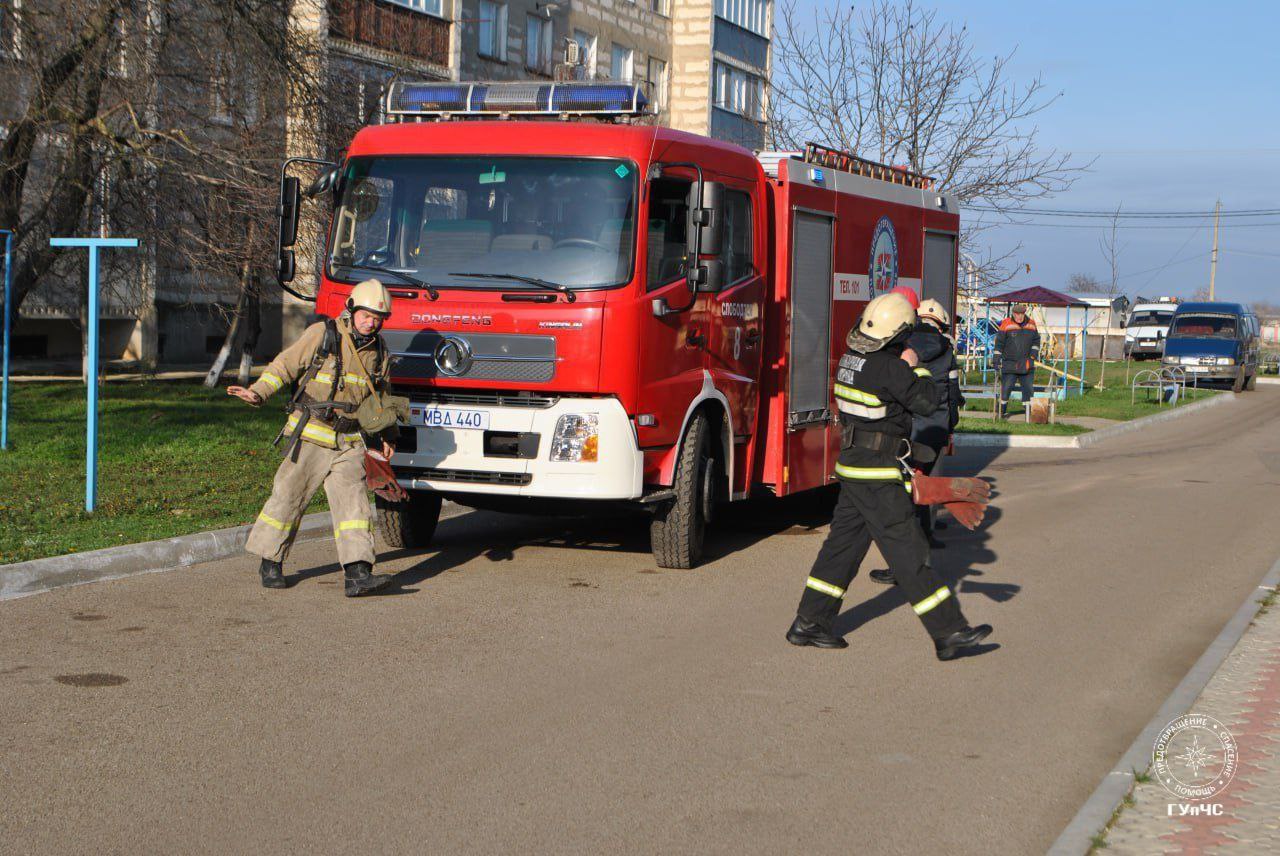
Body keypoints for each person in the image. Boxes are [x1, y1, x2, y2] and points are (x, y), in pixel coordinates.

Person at [785, 293, 992, 661]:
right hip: (878, 473)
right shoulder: (892, 368)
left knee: (842, 550)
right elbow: (928, 401)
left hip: (852, 467)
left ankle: (810, 622)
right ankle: (949, 633)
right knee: (909, 552)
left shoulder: (850, 359)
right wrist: (918, 365)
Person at [228, 279, 399, 597]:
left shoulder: (379, 351)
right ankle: (271, 561)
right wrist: (259, 393)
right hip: (311, 434)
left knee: (354, 507)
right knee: (288, 499)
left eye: (378, 318)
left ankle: (358, 574)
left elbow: (382, 396)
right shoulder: (324, 335)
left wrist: (388, 434)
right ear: (352, 309)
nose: (372, 323)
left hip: (349, 442)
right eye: (367, 315)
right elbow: (285, 365)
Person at [870, 298, 962, 588]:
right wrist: (949, 424)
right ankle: (927, 539)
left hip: (909, 430)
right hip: (935, 428)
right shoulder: (948, 349)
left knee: (902, 497)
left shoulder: (902, 344)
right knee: (927, 486)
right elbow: (954, 392)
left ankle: (905, 567)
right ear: (940, 323)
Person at [995, 303, 1040, 418]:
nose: (1019, 317)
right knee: (1005, 390)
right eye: (1016, 314)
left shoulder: (1032, 324)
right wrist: (996, 359)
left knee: (1028, 390)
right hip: (1009, 364)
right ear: (1013, 314)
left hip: (1027, 364)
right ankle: (1000, 413)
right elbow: (999, 344)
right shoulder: (1006, 324)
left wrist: (1033, 356)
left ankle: (1029, 416)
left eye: (1021, 314)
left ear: (1024, 313)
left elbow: (1036, 342)